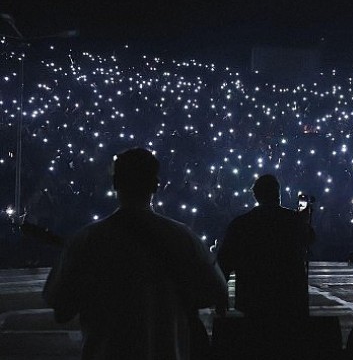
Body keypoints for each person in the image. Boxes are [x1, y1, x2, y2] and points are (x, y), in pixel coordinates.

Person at [43, 148, 228, 360]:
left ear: (115, 183)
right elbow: (218, 292)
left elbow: (61, 309)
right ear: (155, 185)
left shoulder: (87, 239)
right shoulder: (183, 237)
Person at [217, 174, 314, 318]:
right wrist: (305, 219)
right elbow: (310, 240)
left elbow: (225, 261)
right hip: (288, 294)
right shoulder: (293, 220)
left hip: (253, 296)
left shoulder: (241, 224)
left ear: (256, 196)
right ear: (278, 194)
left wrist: (220, 298)